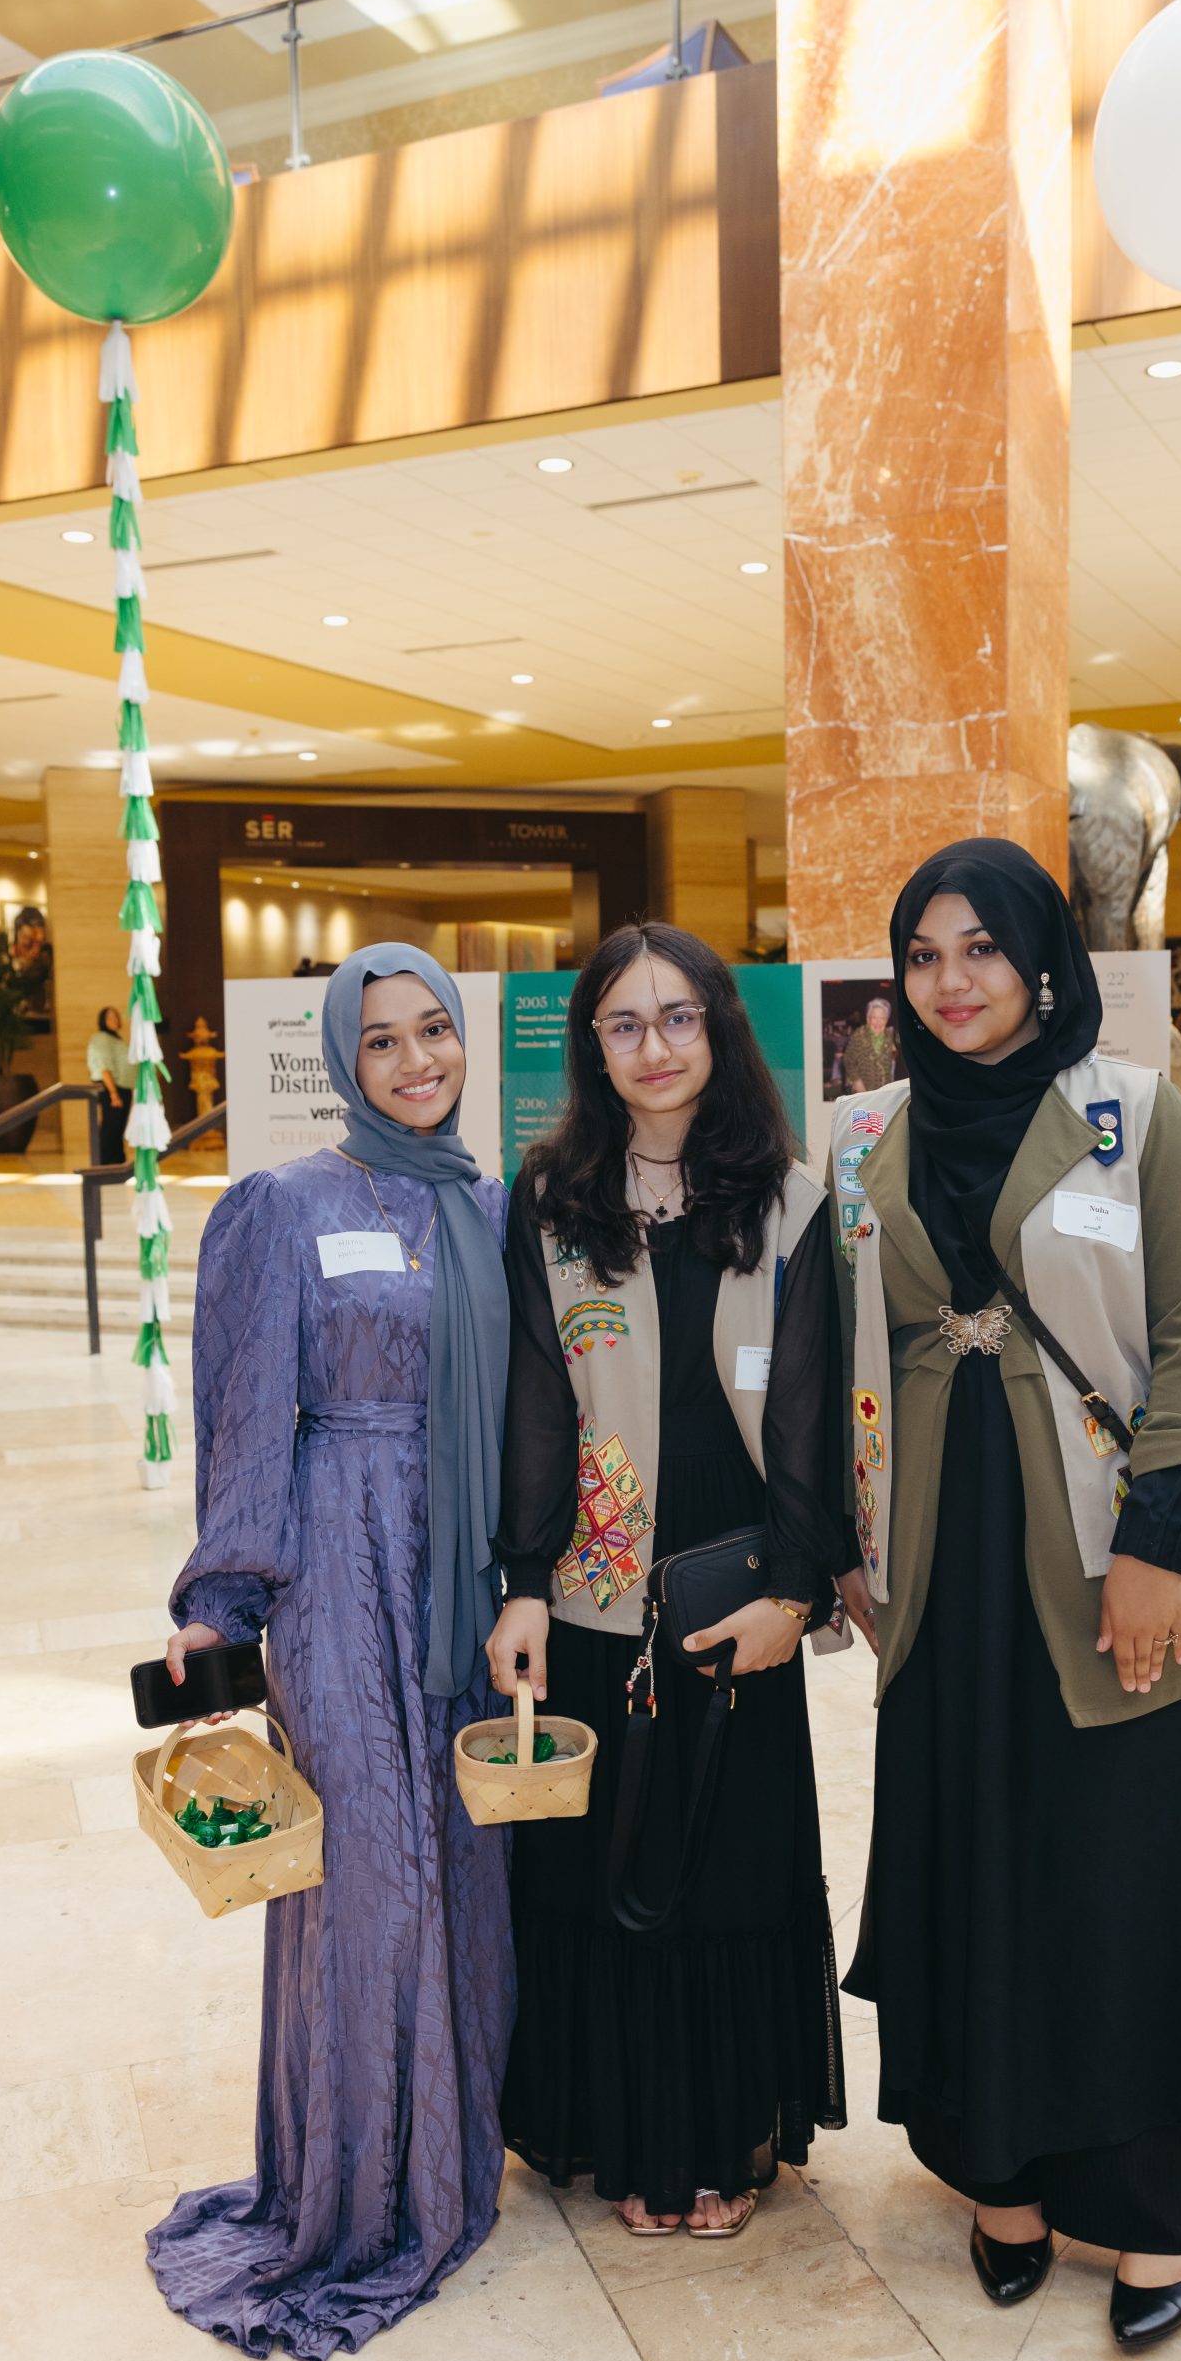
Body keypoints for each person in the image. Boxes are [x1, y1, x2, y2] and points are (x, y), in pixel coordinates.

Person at [832, 839, 1181, 2355]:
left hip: (1104, 1563)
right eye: (923, 956)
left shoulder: (1134, 1116)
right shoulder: (860, 1138)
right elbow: (834, 1350)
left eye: (980, 950)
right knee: (963, 1865)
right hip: (941, 1573)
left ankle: (1147, 2213)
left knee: (1119, 1882)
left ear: (1038, 960)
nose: (950, 983)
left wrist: (1158, 1549)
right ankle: (994, 2180)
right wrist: (844, 1554)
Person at [146, 941, 514, 2361]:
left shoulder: (487, 1204)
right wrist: (219, 1602)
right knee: (363, 1874)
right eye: (382, 1043)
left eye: (436, 1032)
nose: (417, 1062)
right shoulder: (281, 1207)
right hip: (338, 1577)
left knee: (465, 1867)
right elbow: (249, 1417)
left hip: (469, 1584)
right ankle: (350, 2195)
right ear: (340, 1059)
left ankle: (447, 2166)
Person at [487, 923, 847, 2239]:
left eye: (679, 1018)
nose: (654, 1048)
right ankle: (620, 2137)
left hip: (733, 1598)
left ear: (718, 1030)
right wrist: (524, 1583)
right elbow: (536, 1407)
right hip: (592, 1600)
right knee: (597, 1873)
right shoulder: (549, 1203)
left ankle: (718, 2141)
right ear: (592, 1043)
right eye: (625, 1024)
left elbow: (809, 1417)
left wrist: (796, 1590)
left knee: (727, 1870)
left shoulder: (788, 1199)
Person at [86, 1005, 131, 1164]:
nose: (114, 1020)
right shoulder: (101, 1038)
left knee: (118, 1127)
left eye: (116, 1016)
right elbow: (103, 1066)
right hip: (112, 1088)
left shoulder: (117, 1038)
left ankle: (117, 1161)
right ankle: (104, 1162)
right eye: (110, 1017)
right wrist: (113, 1093)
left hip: (123, 1088)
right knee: (110, 1127)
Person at [842, 993, 898, 1092]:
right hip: (863, 1090)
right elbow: (848, 1060)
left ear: (886, 1020)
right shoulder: (859, 1035)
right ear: (868, 1019)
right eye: (874, 1018)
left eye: (882, 1018)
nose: (878, 1022)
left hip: (884, 1091)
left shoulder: (889, 1036)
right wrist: (857, 1082)